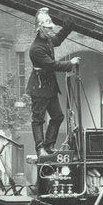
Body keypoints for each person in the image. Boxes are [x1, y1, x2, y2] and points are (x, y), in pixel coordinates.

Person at [25, 8, 79, 157]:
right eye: (48, 28)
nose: (51, 31)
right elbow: (52, 65)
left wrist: (69, 26)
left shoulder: (47, 40)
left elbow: (58, 40)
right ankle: (40, 149)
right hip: (39, 88)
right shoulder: (36, 49)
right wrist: (70, 63)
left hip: (49, 88)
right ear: (41, 29)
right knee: (38, 120)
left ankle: (49, 146)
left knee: (58, 117)